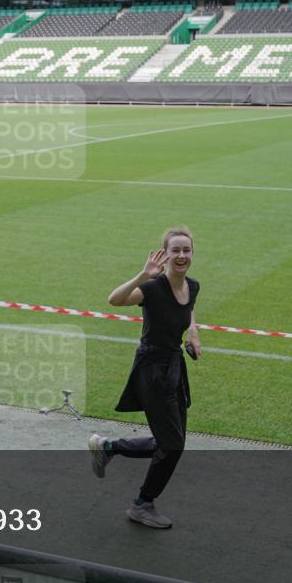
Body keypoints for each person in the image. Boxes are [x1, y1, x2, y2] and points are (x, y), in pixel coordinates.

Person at [89, 226, 201, 529]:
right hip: (152, 370)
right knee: (173, 445)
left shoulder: (192, 285)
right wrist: (143, 275)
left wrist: (193, 332)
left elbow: (188, 308)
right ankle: (142, 505)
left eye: (186, 250)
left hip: (175, 368)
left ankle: (108, 447)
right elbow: (114, 299)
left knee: (171, 441)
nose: (181, 255)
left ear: (192, 253)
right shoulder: (152, 288)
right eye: (175, 250)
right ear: (165, 254)